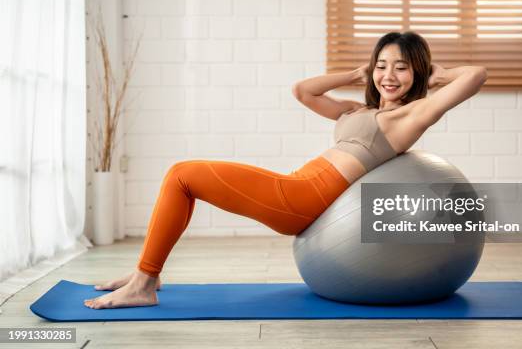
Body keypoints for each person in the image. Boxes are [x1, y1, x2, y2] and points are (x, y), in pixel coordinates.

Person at [84, 31, 487, 309]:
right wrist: (355, 74)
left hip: (301, 199)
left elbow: (476, 76)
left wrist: (437, 75)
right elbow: (303, 91)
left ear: (417, 71)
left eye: (401, 67)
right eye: (382, 66)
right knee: (183, 180)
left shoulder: (409, 116)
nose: (388, 76)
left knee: (181, 174)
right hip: (297, 186)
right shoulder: (357, 110)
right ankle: (146, 276)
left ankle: (144, 283)